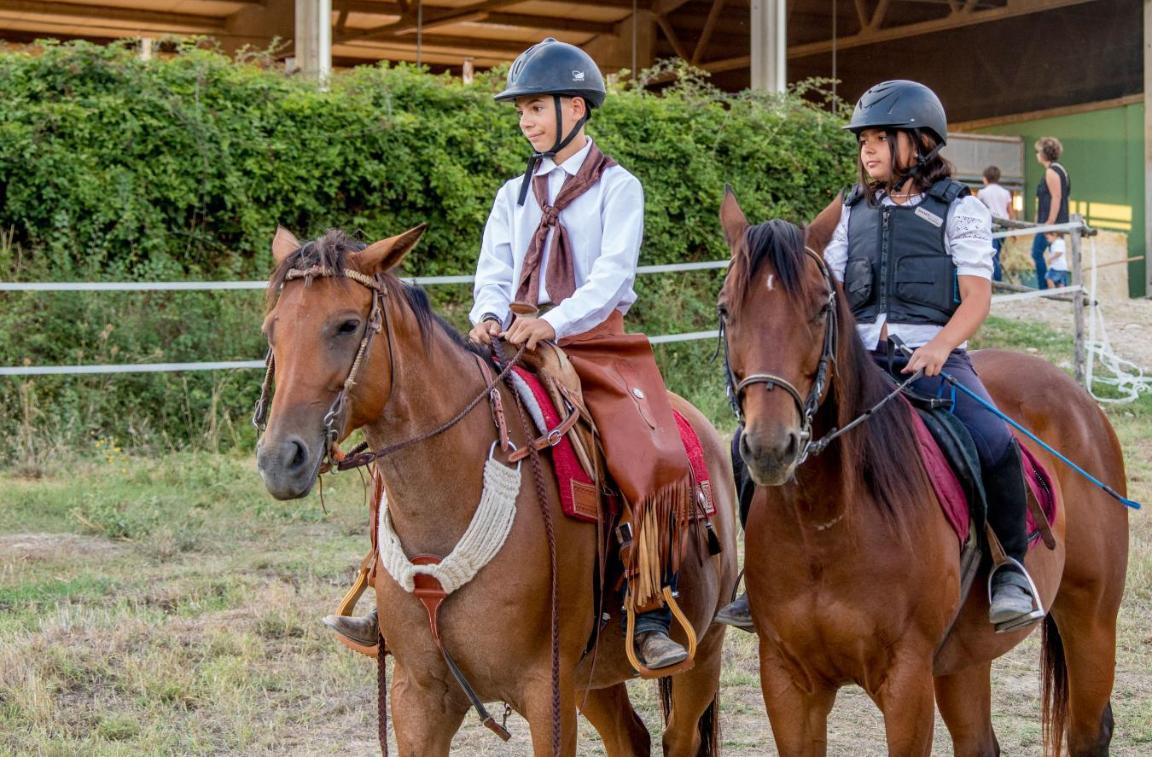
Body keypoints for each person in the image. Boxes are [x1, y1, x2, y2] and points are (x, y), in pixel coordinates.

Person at [326, 38, 692, 671]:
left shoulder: (619, 188)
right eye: (520, 111)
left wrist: (551, 324)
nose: (525, 121)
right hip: (511, 338)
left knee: (647, 450)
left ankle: (650, 601)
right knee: (414, 431)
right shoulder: (512, 194)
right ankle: (381, 586)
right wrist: (490, 316)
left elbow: (610, 277)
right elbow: (493, 270)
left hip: (594, 339)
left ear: (575, 107)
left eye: (535, 108)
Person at [717, 80, 1041, 633]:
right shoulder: (848, 210)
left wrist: (941, 346)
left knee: (994, 439)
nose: (867, 150)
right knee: (743, 448)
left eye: (880, 138)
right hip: (859, 362)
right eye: (863, 139)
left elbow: (977, 297)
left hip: (934, 359)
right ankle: (760, 574)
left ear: (918, 143)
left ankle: (1010, 569)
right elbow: (824, 284)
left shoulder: (959, 210)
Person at [1031, 137, 1070, 290]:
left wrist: (1050, 220)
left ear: (1043, 153)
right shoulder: (1060, 169)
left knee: (1037, 252)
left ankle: (1044, 287)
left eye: (1037, 151)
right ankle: (1060, 286)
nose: (1036, 154)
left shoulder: (1052, 171)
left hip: (1051, 221)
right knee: (1055, 253)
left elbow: (1057, 196)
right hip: (1055, 219)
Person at [977, 165, 1012, 282]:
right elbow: (1010, 211)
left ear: (986, 178)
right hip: (1004, 227)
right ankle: (996, 280)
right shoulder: (1006, 192)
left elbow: (978, 210)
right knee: (997, 254)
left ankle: (997, 281)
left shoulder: (982, 193)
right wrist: (1012, 229)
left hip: (990, 227)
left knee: (993, 256)